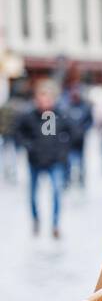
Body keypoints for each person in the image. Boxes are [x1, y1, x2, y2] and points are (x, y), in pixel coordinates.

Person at [15, 79, 72, 237]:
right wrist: (29, 146)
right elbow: (19, 133)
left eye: (47, 98)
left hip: (55, 161)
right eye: (41, 97)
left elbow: (71, 133)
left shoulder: (60, 114)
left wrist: (62, 150)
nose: (44, 101)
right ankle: (35, 219)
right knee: (32, 194)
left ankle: (55, 224)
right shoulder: (28, 115)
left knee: (56, 192)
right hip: (35, 161)